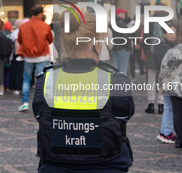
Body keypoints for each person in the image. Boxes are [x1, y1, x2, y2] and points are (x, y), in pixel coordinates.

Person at [33, 10, 134, 173]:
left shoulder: (45, 80)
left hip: (54, 166)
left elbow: (39, 114)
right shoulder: (116, 80)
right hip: (107, 164)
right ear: (96, 45)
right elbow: (124, 116)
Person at [17, 5, 53, 112]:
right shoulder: (45, 26)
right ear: (40, 14)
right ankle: (41, 103)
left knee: (26, 80)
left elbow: (20, 40)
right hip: (41, 56)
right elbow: (50, 40)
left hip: (28, 56)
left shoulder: (24, 26)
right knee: (41, 80)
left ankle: (24, 103)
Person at [154, 25, 177, 144]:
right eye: (170, 32)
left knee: (168, 106)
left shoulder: (172, 45)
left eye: (174, 32)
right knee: (169, 107)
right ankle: (167, 133)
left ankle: (164, 132)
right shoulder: (162, 46)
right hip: (166, 80)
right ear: (164, 34)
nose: (173, 34)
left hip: (170, 80)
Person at [109, 8, 130, 74]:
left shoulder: (111, 23)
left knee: (115, 67)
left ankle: (115, 82)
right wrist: (128, 47)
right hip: (122, 48)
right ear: (119, 14)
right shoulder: (121, 23)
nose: (125, 14)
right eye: (123, 13)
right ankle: (122, 83)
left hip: (114, 48)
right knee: (123, 69)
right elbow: (125, 36)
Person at [9, 19, 24, 95]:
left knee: (14, 71)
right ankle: (20, 87)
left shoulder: (13, 33)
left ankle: (13, 87)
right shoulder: (24, 32)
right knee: (21, 72)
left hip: (15, 55)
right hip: (23, 54)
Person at [3, 21, 12, 91]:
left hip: (3, 56)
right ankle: (7, 85)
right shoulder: (11, 34)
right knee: (8, 71)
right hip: (9, 55)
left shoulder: (2, 34)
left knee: (3, 71)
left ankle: (3, 85)